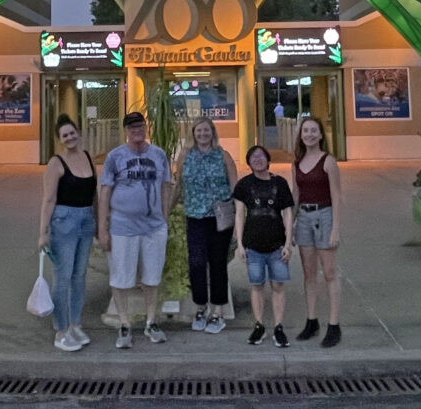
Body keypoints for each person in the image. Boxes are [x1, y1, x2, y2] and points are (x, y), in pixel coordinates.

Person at [98, 110, 174, 349]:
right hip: (123, 226)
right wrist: (102, 227)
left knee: (152, 276)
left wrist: (164, 216)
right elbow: (105, 192)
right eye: (132, 128)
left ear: (146, 127)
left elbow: (166, 186)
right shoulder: (115, 157)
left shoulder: (159, 155)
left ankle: (151, 321)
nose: (137, 131)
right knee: (121, 277)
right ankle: (124, 323)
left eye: (140, 126)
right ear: (126, 131)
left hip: (153, 227)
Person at [37, 114, 97, 352]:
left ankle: (75, 324)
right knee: (63, 277)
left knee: (80, 276)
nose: (70, 137)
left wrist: (100, 225)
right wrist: (43, 233)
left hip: (86, 221)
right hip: (64, 222)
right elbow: (48, 199)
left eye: (72, 133)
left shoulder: (87, 157)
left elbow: (95, 195)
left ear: (79, 133)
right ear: (59, 140)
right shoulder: (56, 164)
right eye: (65, 135)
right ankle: (61, 330)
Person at [175, 117, 237, 334]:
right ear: (193, 133)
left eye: (206, 130)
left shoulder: (223, 156)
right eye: (199, 131)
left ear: (213, 133)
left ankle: (217, 311)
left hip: (219, 218)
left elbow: (234, 187)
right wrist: (167, 211)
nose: (203, 134)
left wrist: (238, 220)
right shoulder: (185, 156)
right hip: (194, 217)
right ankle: (200, 306)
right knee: (197, 263)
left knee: (218, 264)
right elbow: (178, 185)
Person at [232, 145, 294, 348]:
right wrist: (240, 244)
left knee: (277, 285)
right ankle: (259, 325)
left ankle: (278, 326)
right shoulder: (244, 185)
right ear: (248, 163)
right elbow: (240, 215)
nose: (257, 160)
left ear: (268, 160)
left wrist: (288, 243)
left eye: (261, 156)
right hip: (253, 245)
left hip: (277, 245)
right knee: (257, 285)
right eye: (253, 157)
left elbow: (287, 213)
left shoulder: (280, 184)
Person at [291, 116, 343, 347]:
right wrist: (290, 225)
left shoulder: (328, 161)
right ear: (300, 135)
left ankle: (334, 324)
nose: (309, 134)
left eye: (314, 130)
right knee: (308, 274)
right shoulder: (296, 163)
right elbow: (295, 195)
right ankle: (312, 321)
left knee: (329, 272)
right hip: (303, 217)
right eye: (306, 131)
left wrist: (335, 229)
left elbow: (336, 196)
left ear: (321, 135)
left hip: (324, 215)